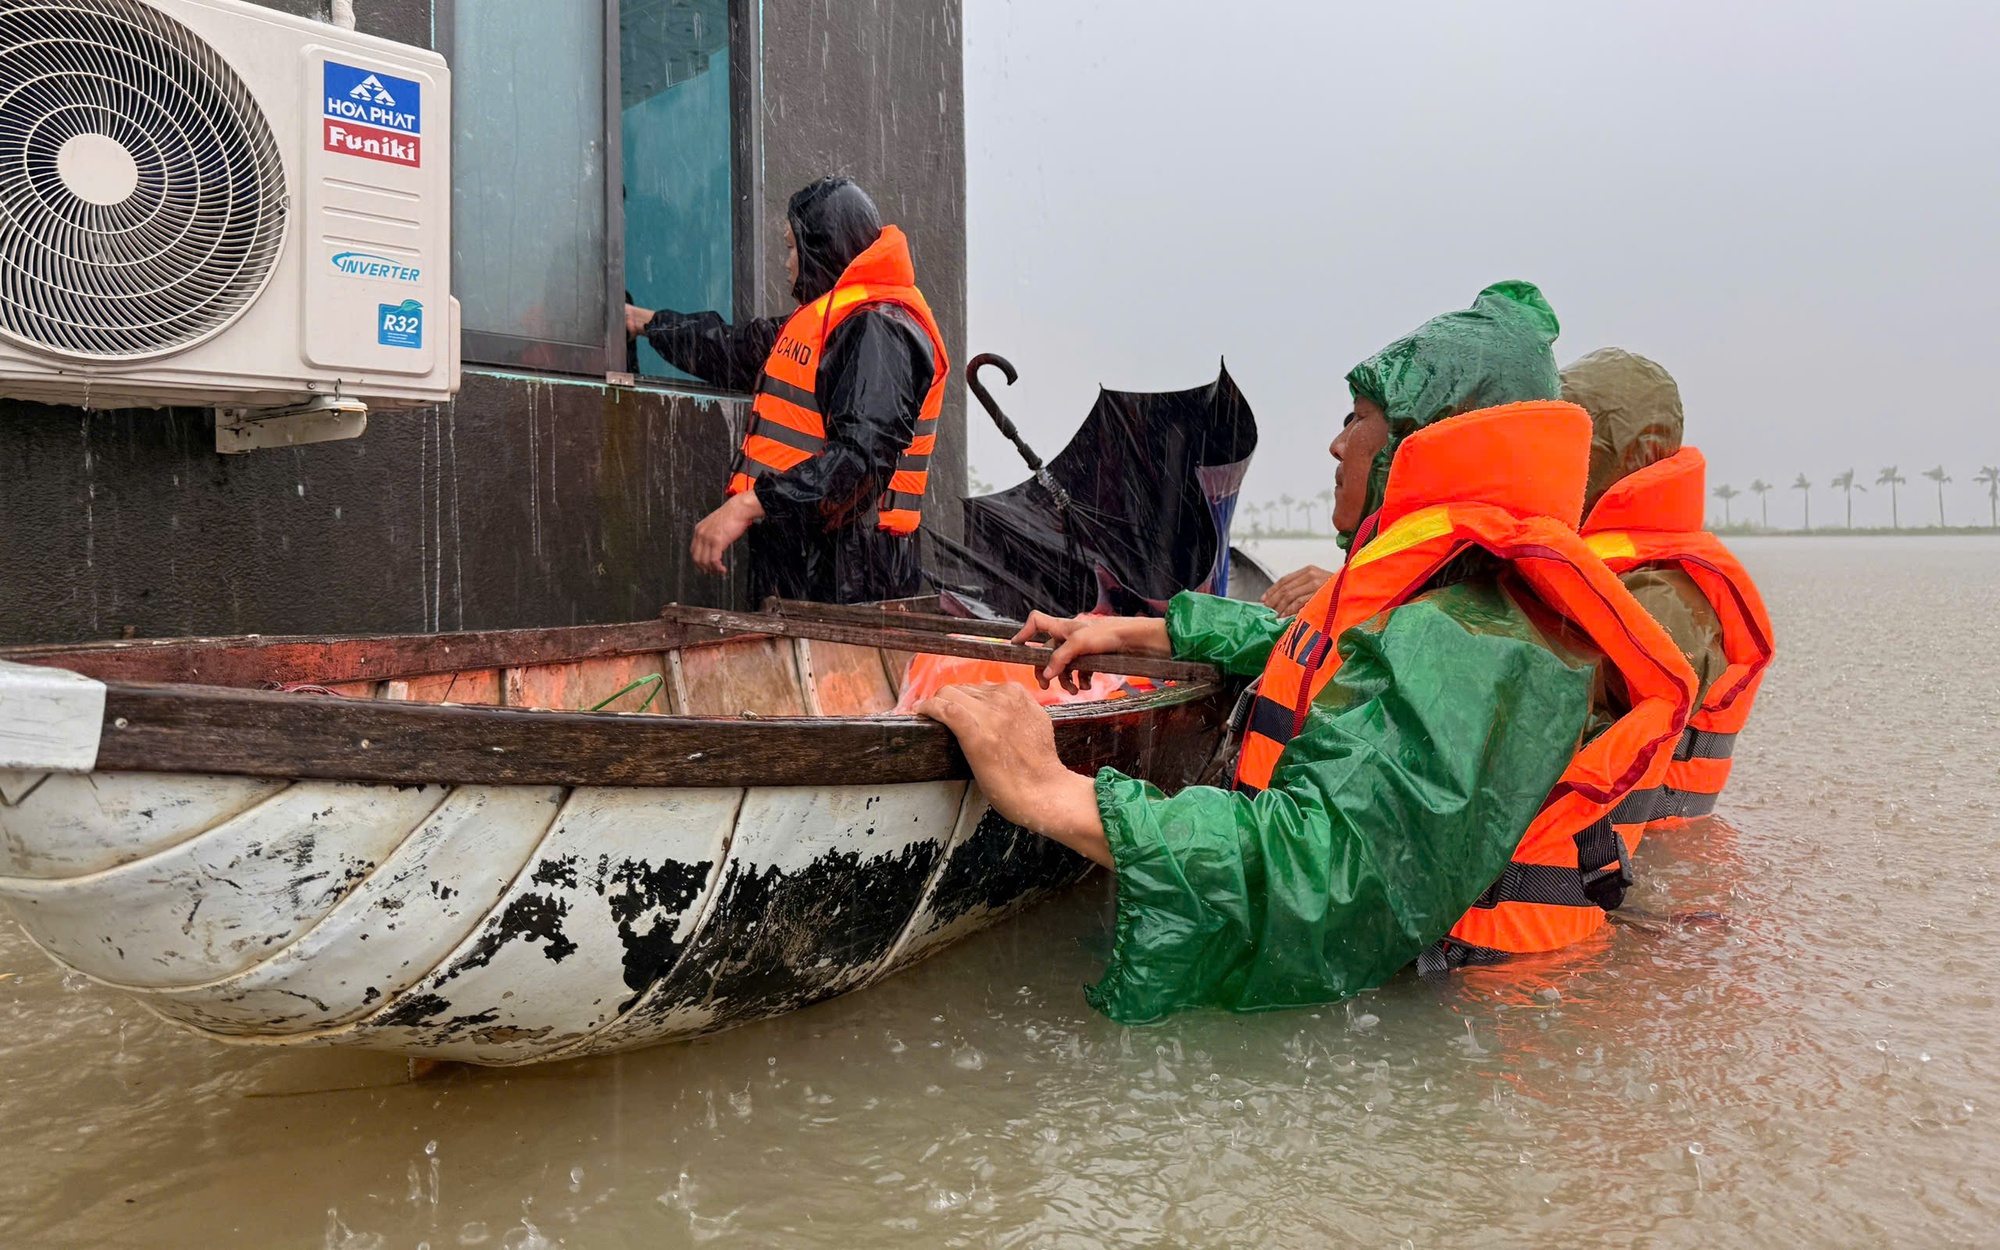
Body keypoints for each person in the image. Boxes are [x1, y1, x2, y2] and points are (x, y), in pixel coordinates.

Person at [919, 283, 1698, 1022]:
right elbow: (1321, 645)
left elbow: (1326, 877)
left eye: (1358, 417)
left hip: (1455, 1014)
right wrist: (1135, 630)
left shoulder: (1466, 643)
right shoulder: (1459, 599)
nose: (1336, 441)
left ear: (1423, 446)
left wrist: (1047, 788)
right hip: (1451, 988)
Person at [625, 177, 948, 604]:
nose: (787, 263)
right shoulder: (832, 319)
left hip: (848, 580)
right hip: (811, 568)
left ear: (822, 249)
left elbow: (859, 463)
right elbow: (733, 348)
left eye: (791, 247)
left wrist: (746, 505)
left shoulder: (879, 327)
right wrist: (644, 322)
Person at [1564, 348, 1776, 829]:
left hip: (1643, 888)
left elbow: (1556, 723)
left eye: (1576, 438)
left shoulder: (1667, 594)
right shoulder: (1595, 572)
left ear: (1639, 451)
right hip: (1606, 870)